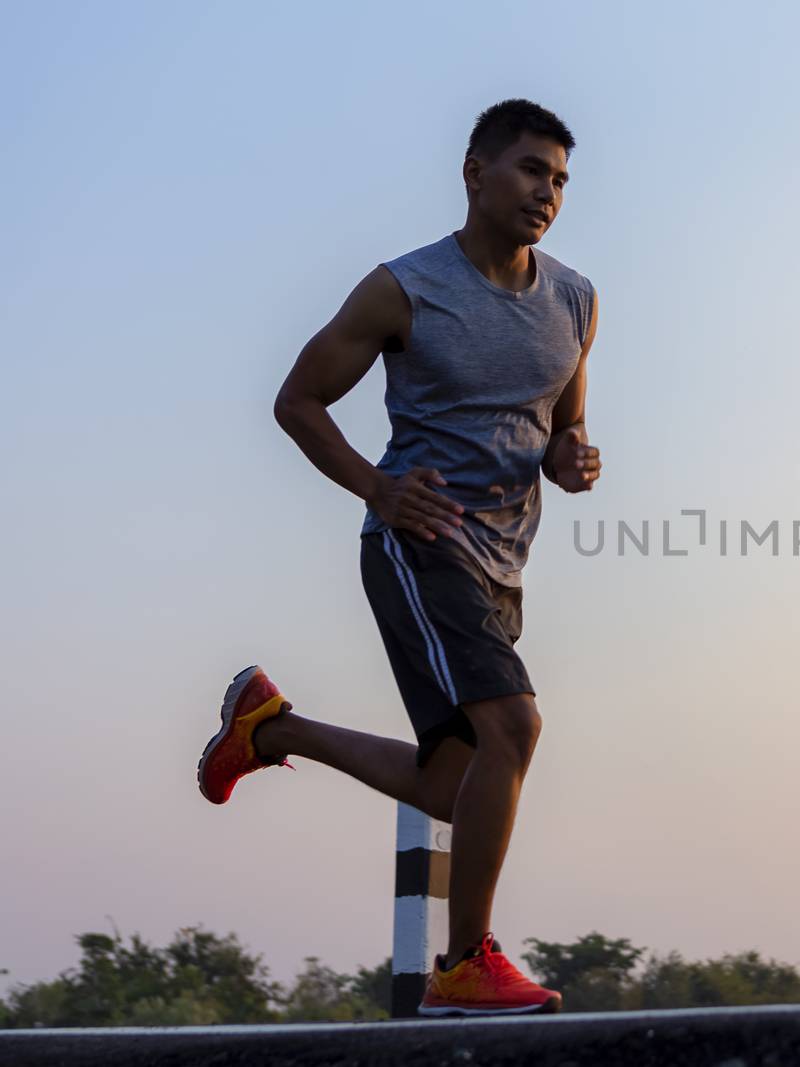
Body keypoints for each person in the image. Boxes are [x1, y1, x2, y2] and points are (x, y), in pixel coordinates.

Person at [195, 98, 601, 1017]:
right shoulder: (404, 289)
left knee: (451, 782)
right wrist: (377, 489)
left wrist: (573, 459)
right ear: (475, 173)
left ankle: (269, 728)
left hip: (502, 566)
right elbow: (297, 400)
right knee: (516, 728)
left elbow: (564, 429)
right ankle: (465, 962)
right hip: (418, 544)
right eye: (533, 170)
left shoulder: (575, 298)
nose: (549, 192)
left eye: (563, 180)